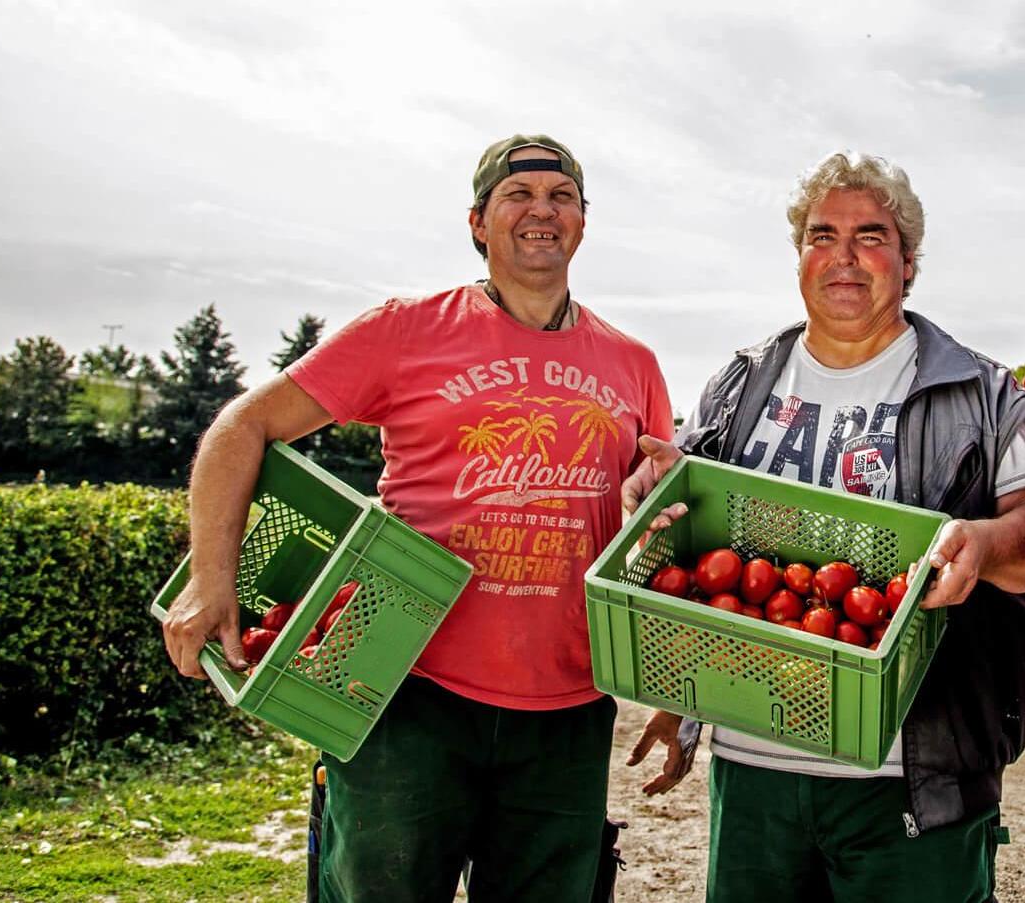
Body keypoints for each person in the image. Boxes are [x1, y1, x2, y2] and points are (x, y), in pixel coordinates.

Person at [158, 134, 680, 902]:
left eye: (561, 197)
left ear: (582, 222)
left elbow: (657, 527)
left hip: (568, 709)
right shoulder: (406, 329)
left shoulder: (633, 362)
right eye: (519, 196)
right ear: (479, 222)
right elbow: (242, 427)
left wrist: (671, 684)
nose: (542, 211)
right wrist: (211, 579)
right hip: (403, 691)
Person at [621, 152, 1025, 902]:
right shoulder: (741, 383)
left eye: (870, 236)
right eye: (823, 235)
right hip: (755, 770)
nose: (843, 256)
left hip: (914, 775)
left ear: (908, 263)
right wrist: (653, 494)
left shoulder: (980, 390)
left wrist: (981, 543)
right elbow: (691, 545)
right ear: (799, 258)